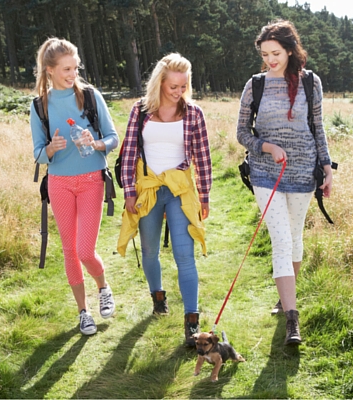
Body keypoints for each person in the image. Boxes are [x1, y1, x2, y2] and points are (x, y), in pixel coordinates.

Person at [236, 20, 333, 346]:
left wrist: (326, 167)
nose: (270, 60)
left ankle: (284, 297)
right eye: (265, 54)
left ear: (290, 50)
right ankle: (293, 320)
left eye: (275, 53)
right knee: (280, 239)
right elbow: (242, 134)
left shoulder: (311, 83)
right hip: (266, 174)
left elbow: (318, 129)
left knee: (293, 236)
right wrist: (267, 147)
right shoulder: (256, 85)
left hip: (304, 173)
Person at [117, 53, 212, 347]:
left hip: (180, 190)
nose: (179, 92)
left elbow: (203, 157)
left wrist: (204, 196)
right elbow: (129, 151)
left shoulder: (193, 113)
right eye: (173, 86)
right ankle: (158, 297)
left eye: (183, 86)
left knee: (185, 254)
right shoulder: (141, 111)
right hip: (148, 189)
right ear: (159, 83)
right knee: (149, 250)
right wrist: (129, 192)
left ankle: (192, 324)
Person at [30, 38, 119, 336]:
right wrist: (51, 149)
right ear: (50, 70)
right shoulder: (39, 106)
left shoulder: (91, 97)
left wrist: (96, 143)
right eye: (66, 69)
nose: (73, 73)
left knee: (84, 250)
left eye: (75, 67)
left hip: (92, 179)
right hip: (59, 183)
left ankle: (103, 286)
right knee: (69, 251)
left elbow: (112, 138)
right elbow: (38, 154)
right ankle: (83, 312)